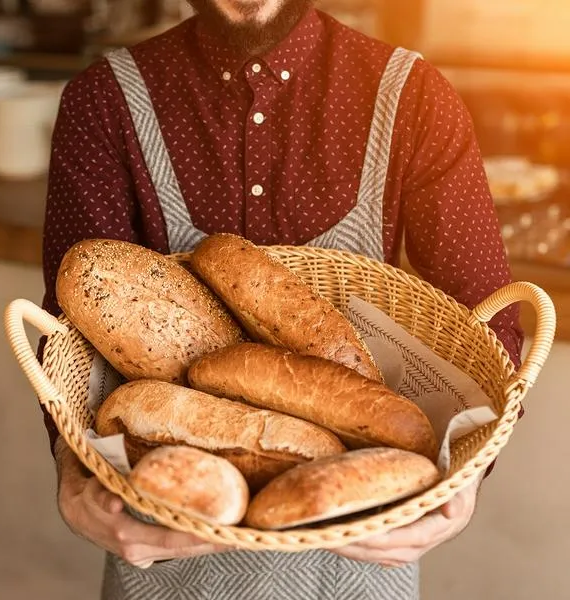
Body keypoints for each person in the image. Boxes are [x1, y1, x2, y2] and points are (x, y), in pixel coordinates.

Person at [40, 0, 524, 596]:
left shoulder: (413, 96)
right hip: (161, 541)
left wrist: (464, 484)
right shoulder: (103, 101)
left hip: (360, 552)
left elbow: (491, 321)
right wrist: (72, 471)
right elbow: (68, 337)